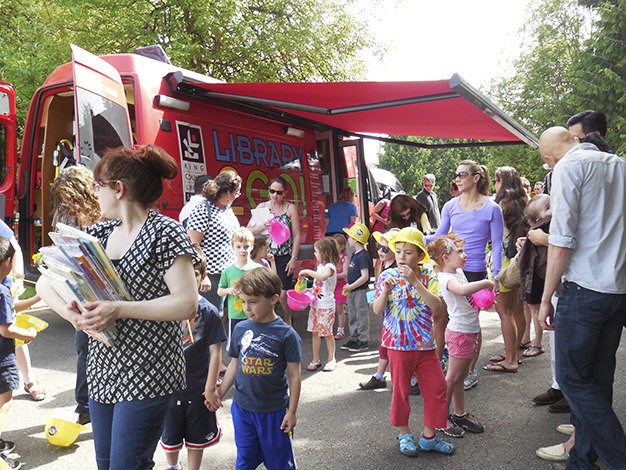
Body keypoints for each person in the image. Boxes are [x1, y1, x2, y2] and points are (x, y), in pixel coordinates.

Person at [37, 144, 199, 469]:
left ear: (119, 189)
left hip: (149, 369)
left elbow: (186, 302)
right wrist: (74, 317)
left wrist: (120, 309)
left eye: (98, 186)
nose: (95, 193)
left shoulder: (164, 233)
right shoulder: (99, 233)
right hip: (103, 371)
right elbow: (45, 281)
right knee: (107, 463)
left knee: (126, 465)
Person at [537, 126, 626, 469]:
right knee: (598, 380)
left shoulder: (566, 169)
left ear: (550, 158)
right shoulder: (618, 163)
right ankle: (582, 459)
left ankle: (618, 457)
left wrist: (546, 297)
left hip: (584, 287)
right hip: (617, 287)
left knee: (573, 379)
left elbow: (562, 241)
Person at [372, 227, 453, 457]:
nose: (401, 256)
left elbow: (435, 305)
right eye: (398, 251)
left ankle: (429, 437)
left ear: (419, 254)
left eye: (408, 252)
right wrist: (385, 293)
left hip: (425, 345)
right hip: (397, 346)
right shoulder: (387, 276)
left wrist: (415, 282)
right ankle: (404, 434)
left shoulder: (428, 275)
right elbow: (377, 310)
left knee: (437, 388)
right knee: (401, 392)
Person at [426, 160, 503, 391]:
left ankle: (469, 370)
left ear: (476, 178)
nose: (457, 179)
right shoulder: (450, 205)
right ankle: (441, 365)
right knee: (441, 317)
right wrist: (414, 237)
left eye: (461, 175)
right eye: (456, 175)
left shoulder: (492, 208)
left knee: (471, 323)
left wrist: (495, 275)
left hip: (475, 271)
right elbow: (440, 237)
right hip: (449, 269)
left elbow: (497, 244)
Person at [215, 268, 302, 470]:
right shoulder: (240, 328)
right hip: (242, 409)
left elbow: (295, 375)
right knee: (245, 460)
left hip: (275, 412)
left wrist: (293, 412)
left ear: (273, 299)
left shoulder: (287, 335)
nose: (246, 307)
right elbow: (234, 364)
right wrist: (220, 392)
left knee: (279, 462)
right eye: (243, 302)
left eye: (253, 302)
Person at [160, 245, 226, 470]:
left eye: (194, 273)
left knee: (197, 438)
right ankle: (172, 466)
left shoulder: (208, 312)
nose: (188, 279)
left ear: (202, 276)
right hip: (168, 387)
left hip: (198, 387)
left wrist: (210, 387)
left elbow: (216, 351)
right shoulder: (163, 307)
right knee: (170, 436)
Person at [49, 165, 102, 424]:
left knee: (98, 346)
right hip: (76, 287)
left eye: (70, 198)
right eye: (63, 199)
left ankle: (98, 404)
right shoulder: (64, 210)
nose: (66, 203)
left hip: (100, 289)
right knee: (83, 347)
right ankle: (84, 405)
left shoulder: (101, 213)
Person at [427, 234, 493, 438]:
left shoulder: (458, 272)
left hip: (468, 329)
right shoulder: (446, 278)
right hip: (460, 332)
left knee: (459, 377)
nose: (465, 255)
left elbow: (467, 296)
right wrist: (485, 283)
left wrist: (480, 301)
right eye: (460, 252)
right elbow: (463, 290)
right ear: (445, 257)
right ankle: (440, 418)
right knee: (453, 377)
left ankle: (459, 413)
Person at [484, 166, 528, 374]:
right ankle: (513, 352)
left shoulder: (498, 205)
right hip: (519, 261)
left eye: (497, 180)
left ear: (504, 182)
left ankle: (510, 359)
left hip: (502, 263)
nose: (495, 184)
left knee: (504, 312)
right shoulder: (523, 202)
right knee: (517, 311)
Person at [0, 236, 37, 470]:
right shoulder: (2, 291)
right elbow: (6, 329)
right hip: (2, 359)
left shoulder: (3, 289)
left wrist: (38, 298)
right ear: (7, 262)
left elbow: (10, 309)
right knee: (4, 403)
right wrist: (29, 334)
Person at [187, 170, 242, 315]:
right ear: (228, 192)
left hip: (227, 273)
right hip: (211, 275)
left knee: (222, 315)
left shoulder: (227, 210)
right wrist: (203, 275)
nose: (237, 196)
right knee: (210, 317)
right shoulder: (204, 209)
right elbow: (193, 245)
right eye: (237, 193)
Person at [248, 177, 301, 325]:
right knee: (264, 291)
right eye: (272, 191)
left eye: (279, 192)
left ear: (285, 193)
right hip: (264, 256)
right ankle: (267, 320)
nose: (275, 195)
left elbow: (297, 236)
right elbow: (248, 231)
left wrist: (293, 258)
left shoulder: (290, 208)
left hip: (283, 255)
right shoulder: (262, 208)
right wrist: (263, 226)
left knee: (283, 294)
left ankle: (287, 318)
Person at [359, 229, 398, 390]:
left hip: (396, 318)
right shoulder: (384, 265)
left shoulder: (393, 270)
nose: (380, 251)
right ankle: (379, 376)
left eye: (385, 248)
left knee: (393, 347)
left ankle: (411, 381)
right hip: (388, 316)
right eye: (378, 247)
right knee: (385, 345)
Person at [518, 194, 551, 359]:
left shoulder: (547, 228)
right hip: (536, 275)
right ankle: (532, 341)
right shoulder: (540, 230)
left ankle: (537, 343)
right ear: (537, 219)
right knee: (533, 307)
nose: (553, 209)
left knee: (536, 308)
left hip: (539, 274)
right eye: (547, 208)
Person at [299, 237, 339, 372]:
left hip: (326, 306)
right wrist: (308, 290)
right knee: (315, 333)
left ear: (324, 252)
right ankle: (316, 359)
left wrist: (306, 272)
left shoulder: (330, 267)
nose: (314, 254)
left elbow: (322, 277)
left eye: (316, 252)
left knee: (327, 333)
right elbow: (319, 285)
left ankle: (331, 359)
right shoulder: (320, 267)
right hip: (316, 305)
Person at [217, 228, 262, 348]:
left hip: (254, 313)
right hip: (235, 315)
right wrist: (229, 290)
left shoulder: (257, 269)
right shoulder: (228, 270)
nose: (243, 250)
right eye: (238, 247)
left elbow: (264, 290)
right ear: (233, 248)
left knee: (254, 345)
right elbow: (220, 291)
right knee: (235, 348)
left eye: (246, 247)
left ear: (252, 246)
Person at [339, 223, 373, 353]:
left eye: (350, 237)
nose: (348, 239)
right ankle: (354, 338)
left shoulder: (362, 255)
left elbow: (364, 276)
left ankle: (363, 340)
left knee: (361, 315)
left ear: (356, 239)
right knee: (353, 314)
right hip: (352, 291)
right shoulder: (355, 255)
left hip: (360, 291)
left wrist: (350, 286)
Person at [331, 234, 349, 340]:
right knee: (330, 308)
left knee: (340, 309)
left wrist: (332, 276)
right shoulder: (331, 257)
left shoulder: (344, 258)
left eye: (336, 244)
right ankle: (327, 328)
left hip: (340, 286)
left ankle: (341, 329)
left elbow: (345, 274)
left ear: (342, 246)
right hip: (332, 286)